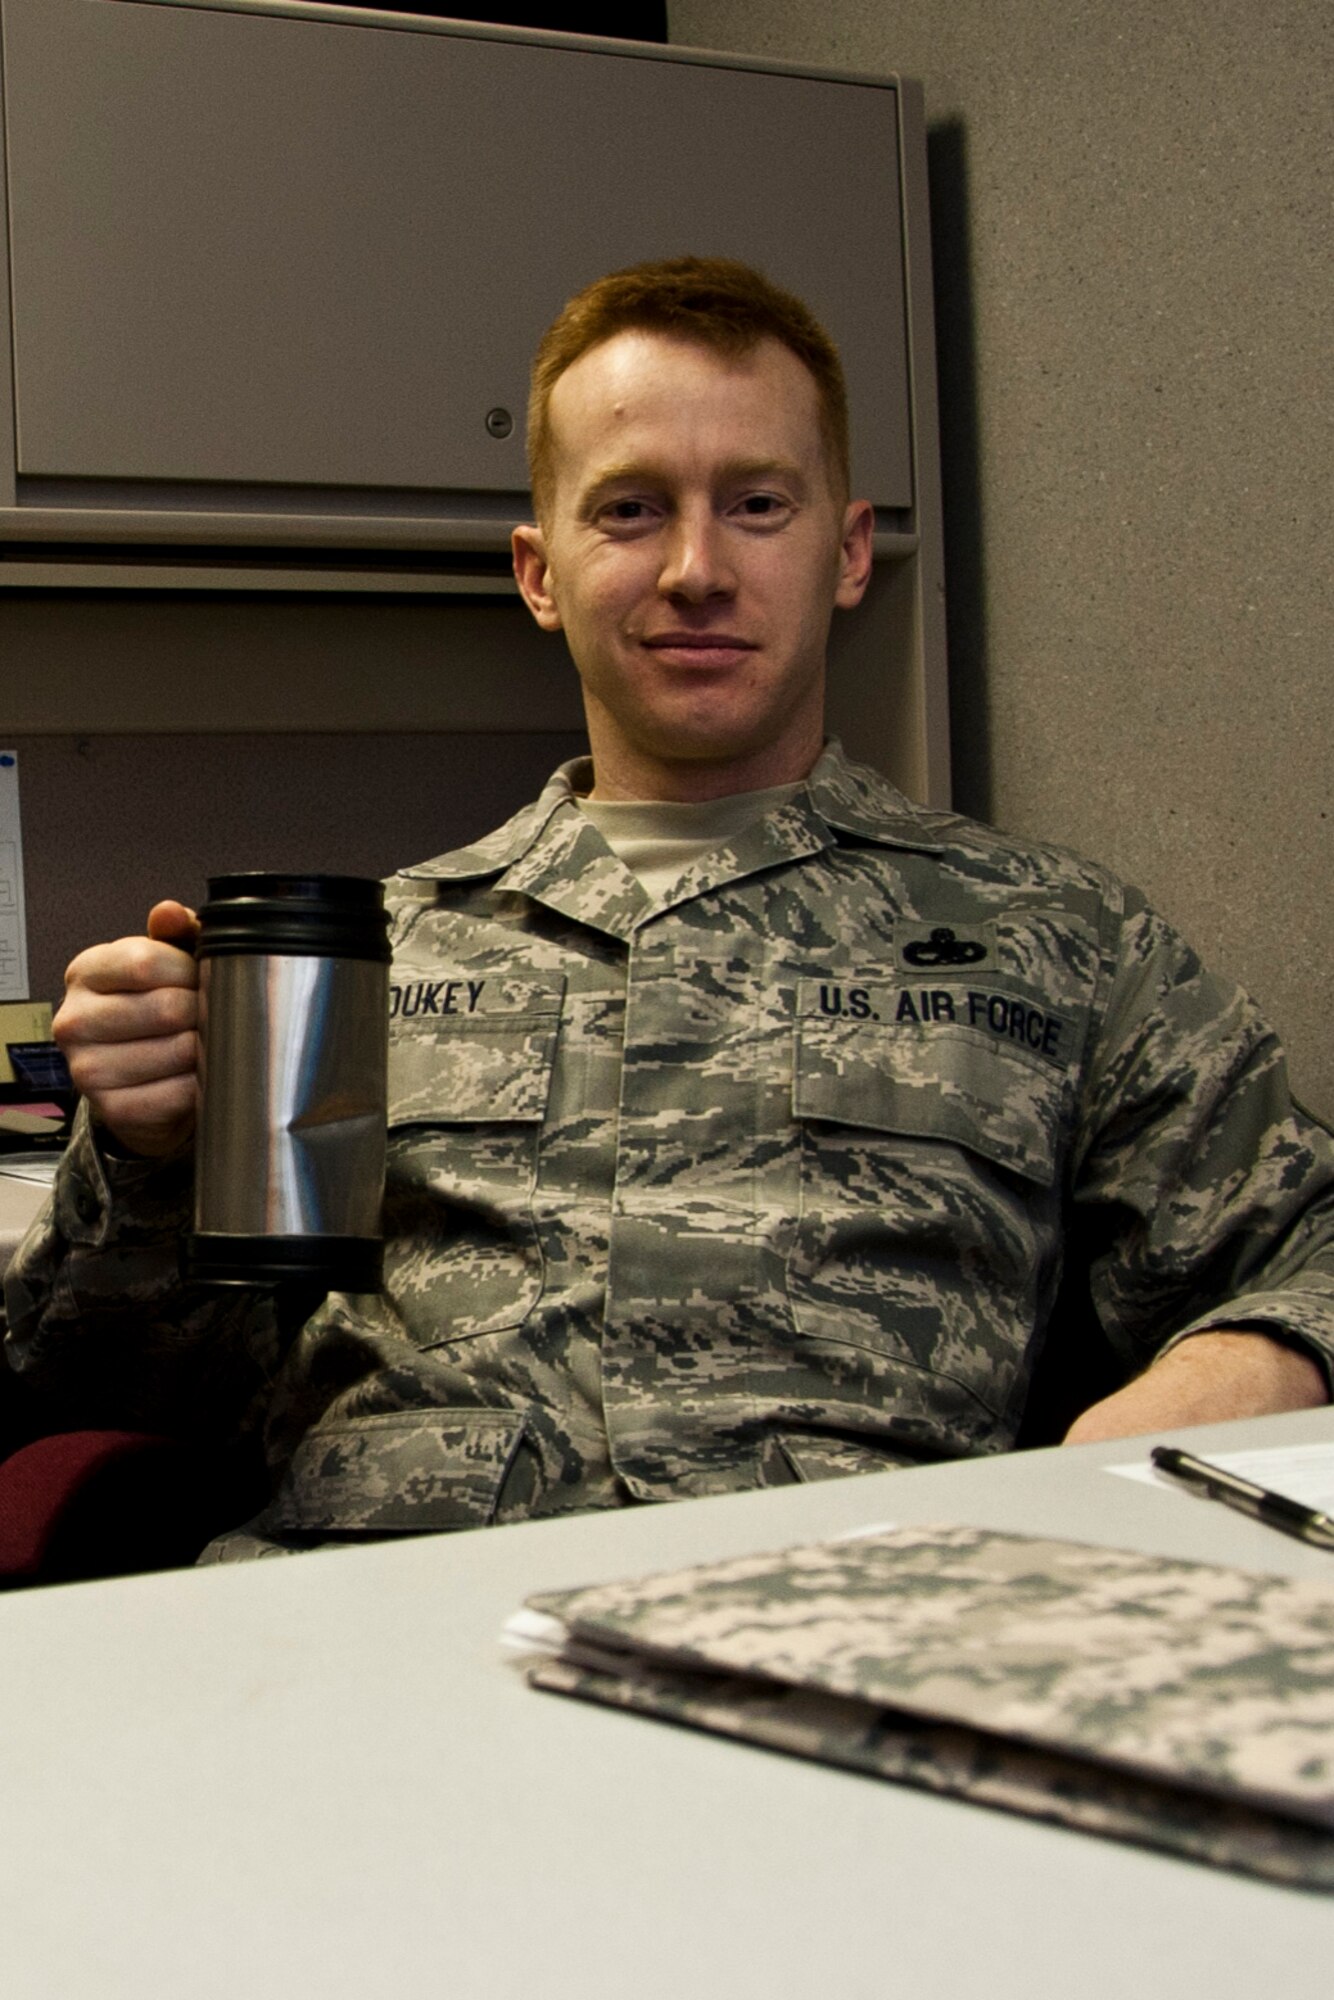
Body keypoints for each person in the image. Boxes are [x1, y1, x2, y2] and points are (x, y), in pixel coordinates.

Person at [4, 257, 1330, 1560]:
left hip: (850, 1636)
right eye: (630, 510)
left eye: (756, 504)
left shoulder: (1054, 941)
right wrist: (150, 1163)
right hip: (366, 1636)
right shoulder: (360, 961)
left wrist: (1230, 1377)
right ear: (538, 571)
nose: (696, 568)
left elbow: (1309, 1247)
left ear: (848, 552)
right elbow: (100, 1398)